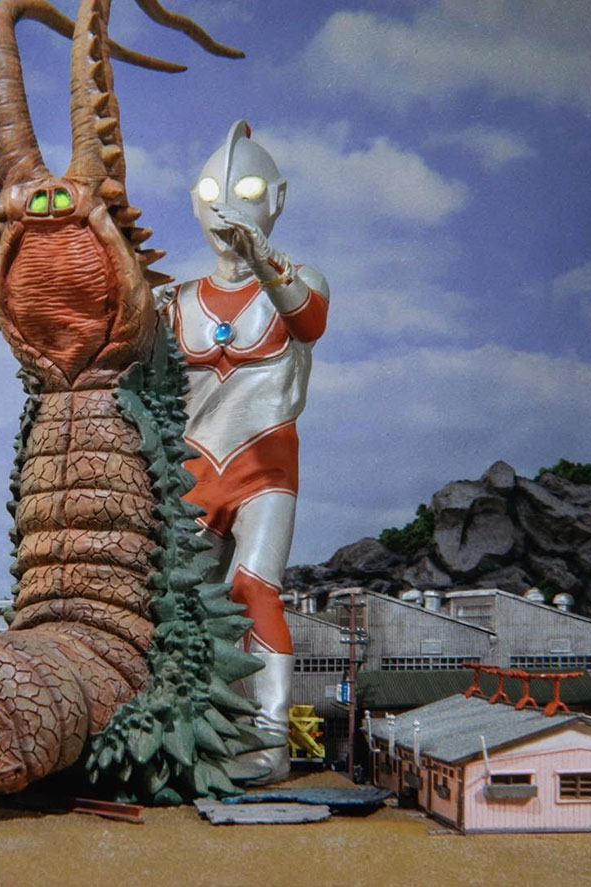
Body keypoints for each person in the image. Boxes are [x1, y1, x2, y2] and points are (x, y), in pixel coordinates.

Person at [157, 119, 329, 782]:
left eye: (248, 190)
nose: (226, 205)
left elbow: (309, 319)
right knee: (184, 604)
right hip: (194, 468)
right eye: (210, 192)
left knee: (256, 589)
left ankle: (270, 737)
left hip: (265, 464)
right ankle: (190, 733)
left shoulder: (299, 281)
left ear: (277, 198)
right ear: (193, 202)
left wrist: (262, 257)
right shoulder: (173, 300)